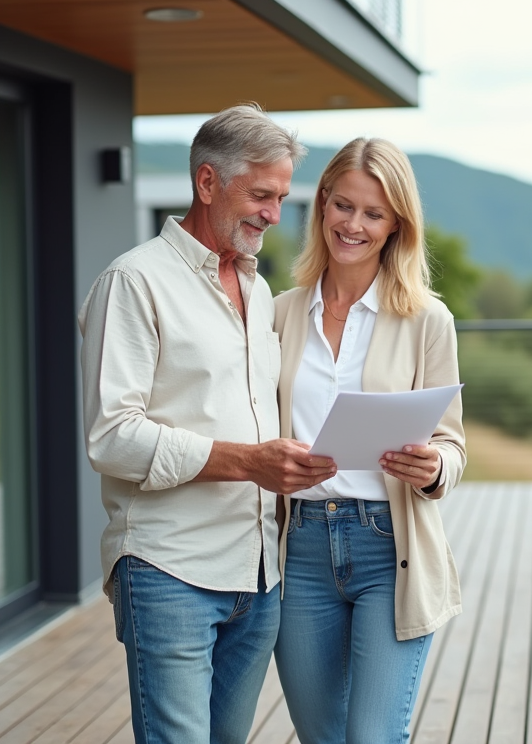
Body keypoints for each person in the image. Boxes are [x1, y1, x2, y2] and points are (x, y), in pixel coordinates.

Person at [78, 103, 337, 744]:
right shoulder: (133, 282)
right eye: (261, 194)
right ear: (207, 182)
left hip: (259, 575)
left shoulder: (256, 291)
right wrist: (249, 462)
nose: (274, 215)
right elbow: (111, 437)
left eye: (280, 197)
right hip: (170, 571)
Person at [272, 138, 465, 744]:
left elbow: (452, 444)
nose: (353, 225)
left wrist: (433, 467)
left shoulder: (426, 319)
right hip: (298, 548)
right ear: (322, 205)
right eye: (343, 206)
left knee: (374, 737)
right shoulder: (277, 315)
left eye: (373, 214)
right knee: (322, 736)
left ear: (394, 227)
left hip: (390, 547)